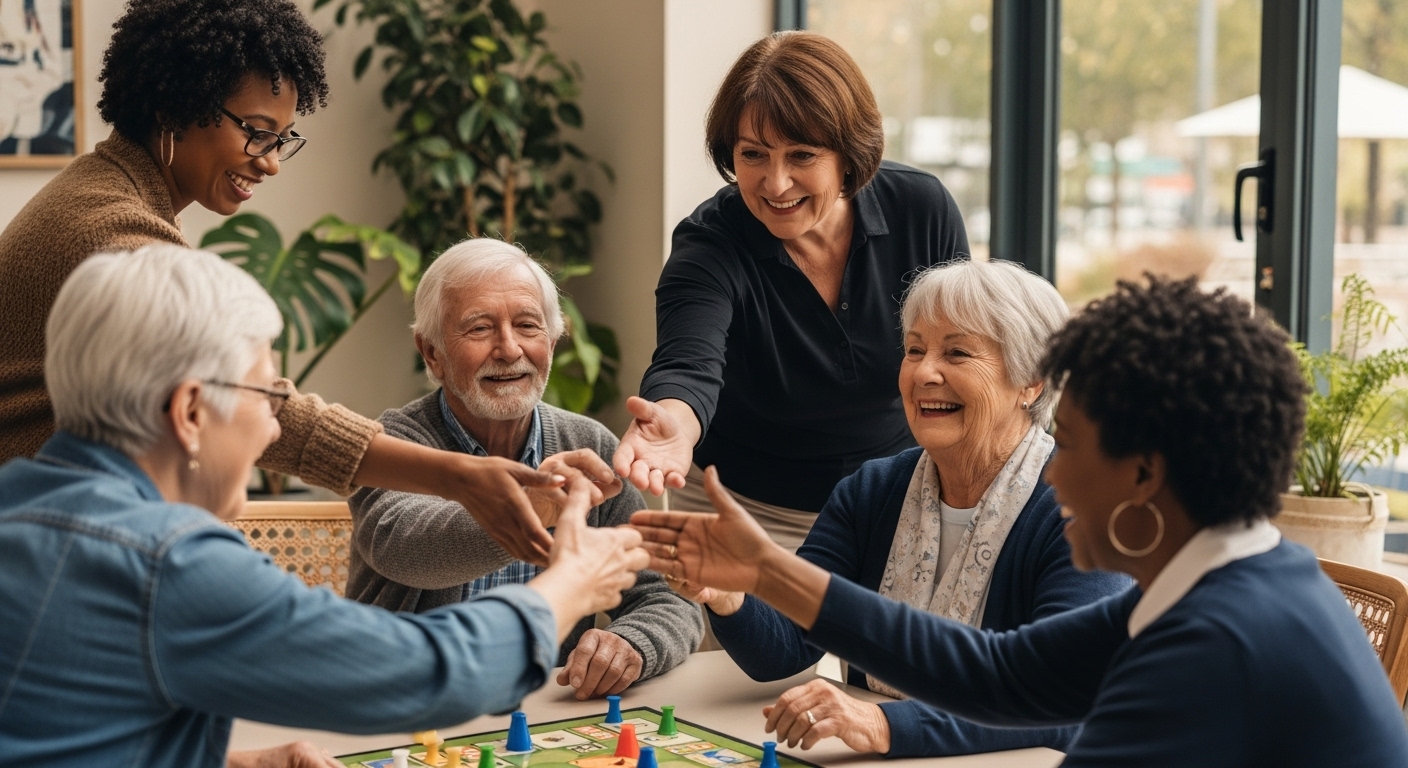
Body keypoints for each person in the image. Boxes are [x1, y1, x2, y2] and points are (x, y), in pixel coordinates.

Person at [634, 276, 1408, 765]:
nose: (1053, 469)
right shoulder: (1231, 579)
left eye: (1067, 444)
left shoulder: (1210, 643)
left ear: (1143, 474)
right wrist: (766, 571)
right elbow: (999, 674)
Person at [0, 245, 650, 768]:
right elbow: (434, 675)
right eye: (267, 395)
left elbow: (60, 724)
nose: (275, 432)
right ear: (191, 413)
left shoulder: (19, 501)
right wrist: (568, 584)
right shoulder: (167, 561)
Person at [0, 0, 566, 565]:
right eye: (258, 132)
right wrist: (461, 475)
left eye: (282, 140)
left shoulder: (105, 196)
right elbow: (250, 400)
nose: (271, 162)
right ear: (175, 107)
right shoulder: (113, 231)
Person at [689, 260, 1130, 757]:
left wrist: (881, 725)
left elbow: (1059, 691)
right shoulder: (872, 490)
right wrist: (731, 593)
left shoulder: (1085, 508)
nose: (924, 372)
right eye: (914, 349)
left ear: (1032, 381)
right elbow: (787, 646)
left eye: (957, 353)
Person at [614, 31, 969, 549]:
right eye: (753, 154)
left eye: (801, 155)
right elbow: (688, 364)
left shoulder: (922, 210)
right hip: (747, 512)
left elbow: (965, 353)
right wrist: (670, 422)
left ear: (847, 154)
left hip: (898, 502)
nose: (775, 184)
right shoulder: (710, 244)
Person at [348, 238, 702, 700]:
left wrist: (630, 643)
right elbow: (406, 547)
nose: (509, 349)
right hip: (403, 708)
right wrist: (530, 507)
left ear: (553, 342)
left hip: (541, 713)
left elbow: (667, 592)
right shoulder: (391, 443)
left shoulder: (587, 444)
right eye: (479, 329)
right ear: (431, 351)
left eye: (528, 326)